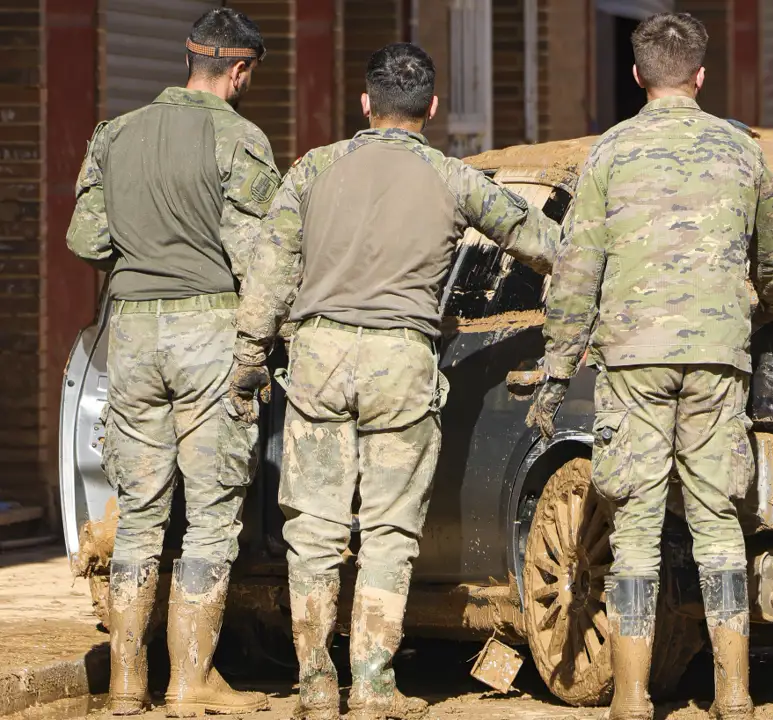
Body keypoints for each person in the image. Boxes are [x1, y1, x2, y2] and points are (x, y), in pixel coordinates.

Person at [229, 43, 557, 720]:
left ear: (364, 103)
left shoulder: (313, 170)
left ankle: (317, 684)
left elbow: (267, 276)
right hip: (402, 364)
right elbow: (540, 241)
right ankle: (375, 685)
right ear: (433, 108)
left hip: (319, 358)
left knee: (313, 532)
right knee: (388, 531)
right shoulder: (454, 179)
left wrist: (248, 358)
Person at [526, 13, 773, 720]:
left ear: (638, 74)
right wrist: (765, 310)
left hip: (633, 359)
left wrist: (557, 370)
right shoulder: (742, 151)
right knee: (717, 524)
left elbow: (576, 270)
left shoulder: (610, 152)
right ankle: (734, 694)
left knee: (636, 530)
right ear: (701, 75)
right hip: (717, 358)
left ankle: (631, 696)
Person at [65, 9, 278, 716]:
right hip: (209, 331)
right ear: (240, 69)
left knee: (141, 513)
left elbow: (87, 241)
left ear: (190, 59)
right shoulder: (240, 139)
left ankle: (128, 683)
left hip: (130, 334)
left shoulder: (113, 135)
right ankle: (191, 682)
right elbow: (259, 261)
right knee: (212, 512)